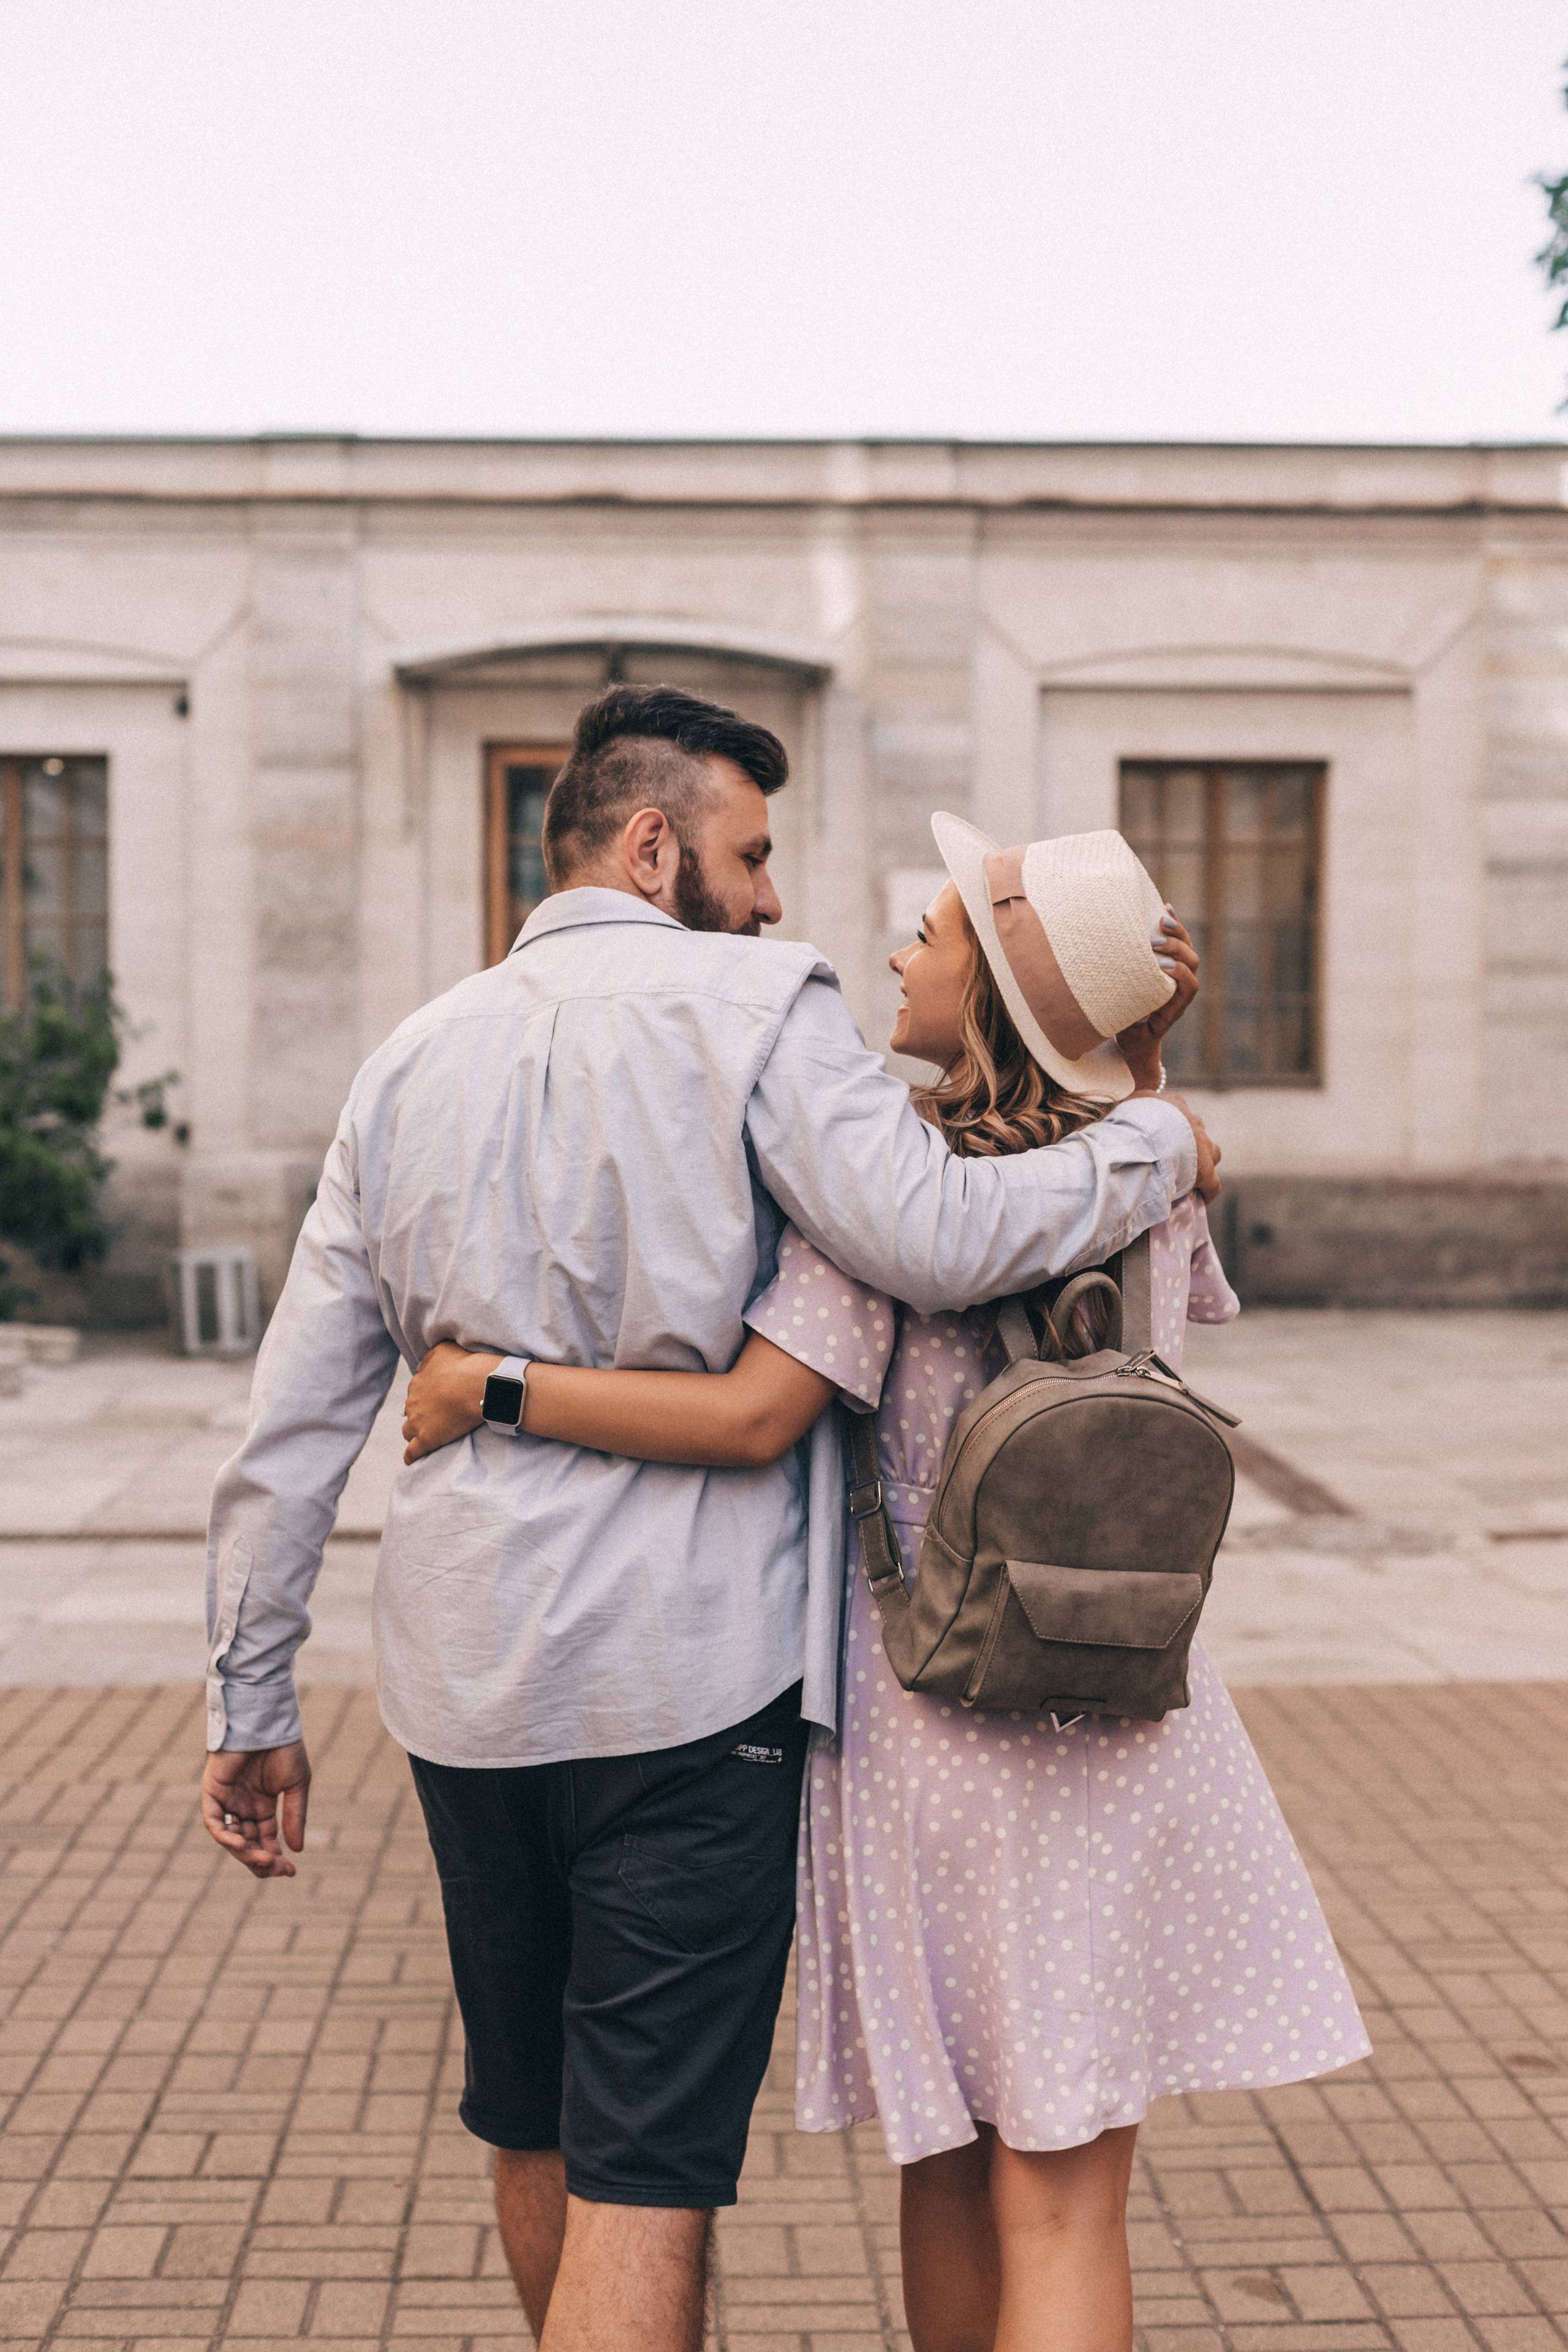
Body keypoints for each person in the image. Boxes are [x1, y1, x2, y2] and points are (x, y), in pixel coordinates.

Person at [200, 684, 1216, 2352]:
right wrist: (1158, 1133)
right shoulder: (764, 1007)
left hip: (463, 1690)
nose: (773, 897)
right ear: (656, 841)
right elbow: (938, 1235)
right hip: (691, 1690)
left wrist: (251, 1703)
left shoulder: (404, 1058)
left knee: (526, 2111)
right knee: (649, 2157)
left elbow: (294, 1418)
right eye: (751, 854)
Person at [404, 815, 1368, 2352]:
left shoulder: (877, 1203)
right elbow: (1147, 1278)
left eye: (928, 933)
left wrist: (488, 1389)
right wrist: (1142, 1068)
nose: (898, 953)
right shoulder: (1148, 1177)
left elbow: (746, 1418)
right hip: (1120, 1707)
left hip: (931, 1715)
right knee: (1069, 2190)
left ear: (984, 991)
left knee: (949, 2161)